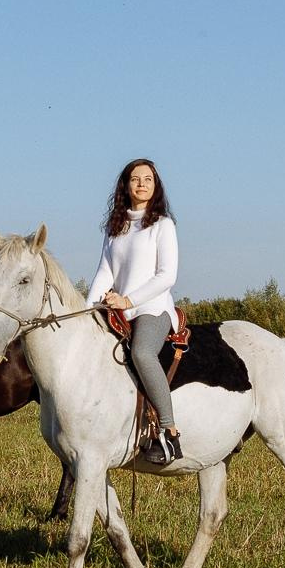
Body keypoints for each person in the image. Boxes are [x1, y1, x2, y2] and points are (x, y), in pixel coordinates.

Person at [86, 158, 182, 463]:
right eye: (135, 179)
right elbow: (105, 272)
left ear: (156, 187)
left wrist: (129, 300)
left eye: (148, 179)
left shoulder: (162, 225)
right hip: (119, 309)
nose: (141, 183)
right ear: (125, 185)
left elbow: (167, 275)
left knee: (142, 353)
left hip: (152, 308)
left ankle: (170, 433)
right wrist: (88, 310)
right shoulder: (116, 226)